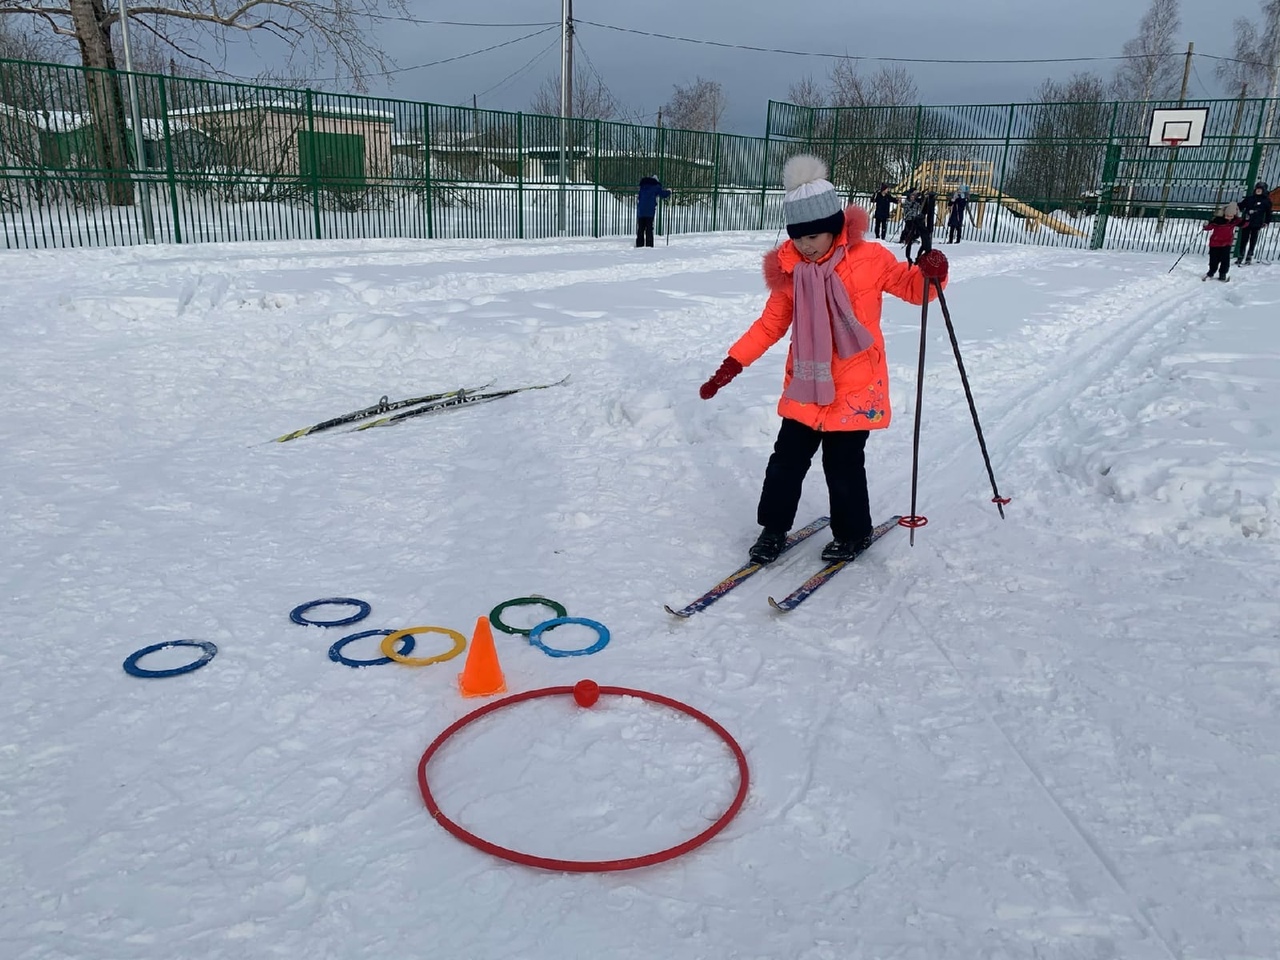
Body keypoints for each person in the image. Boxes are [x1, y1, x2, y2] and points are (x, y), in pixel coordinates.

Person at [697, 155, 947, 565]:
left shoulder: (870, 260)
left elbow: (915, 290)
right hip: (806, 386)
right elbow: (769, 325)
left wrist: (932, 273)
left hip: (854, 386)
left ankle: (853, 533)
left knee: (843, 466)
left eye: (815, 236)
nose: (806, 245)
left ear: (834, 228)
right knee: (785, 463)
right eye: (799, 237)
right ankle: (773, 529)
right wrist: (731, 364)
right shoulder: (791, 272)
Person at [1203, 202, 1243, 282]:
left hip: (1226, 243)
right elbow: (1209, 227)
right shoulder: (1217, 220)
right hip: (1215, 243)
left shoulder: (1234, 221)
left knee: (1225, 260)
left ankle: (1223, 274)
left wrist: (1247, 220)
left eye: (1231, 216)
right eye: (1227, 215)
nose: (1229, 218)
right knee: (1214, 260)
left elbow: (1243, 224)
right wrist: (1206, 225)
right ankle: (1211, 272)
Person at [1236, 181, 1272, 265]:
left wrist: (1266, 222)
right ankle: (1240, 255)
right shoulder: (1249, 199)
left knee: (1253, 239)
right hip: (1246, 222)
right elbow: (1241, 206)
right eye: (1257, 189)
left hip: (1257, 223)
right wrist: (1235, 206)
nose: (1258, 191)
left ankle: (1249, 255)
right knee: (1243, 239)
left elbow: (1268, 213)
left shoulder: (1266, 201)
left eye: (1260, 189)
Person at [635, 175, 671, 247]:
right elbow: (663, 194)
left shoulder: (642, 186)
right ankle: (649, 245)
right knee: (649, 228)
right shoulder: (656, 186)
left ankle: (639, 244)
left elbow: (639, 197)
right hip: (649, 211)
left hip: (641, 210)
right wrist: (669, 191)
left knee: (641, 228)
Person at [899, 188, 930, 264]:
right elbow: (907, 208)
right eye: (912, 195)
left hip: (915, 219)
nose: (913, 197)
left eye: (914, 195)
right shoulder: (907, 202)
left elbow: (921, 205)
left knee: (915, 231)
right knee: (908, 229)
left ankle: (911, 238)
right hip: (909, 218)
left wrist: (923, 197)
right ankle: (905, 238)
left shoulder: (917, 202)